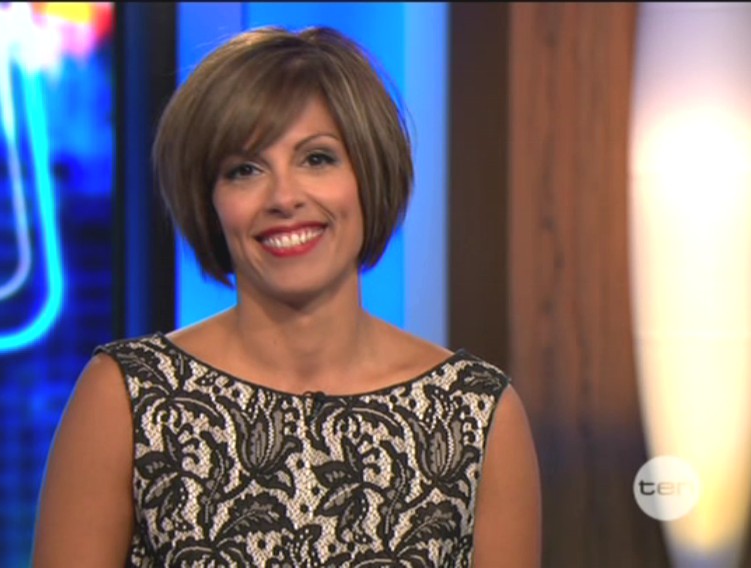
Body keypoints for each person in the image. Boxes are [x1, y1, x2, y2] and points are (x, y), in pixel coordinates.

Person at [32, 26, 540, 567]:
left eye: (316, 159)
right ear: (209, 202)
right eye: (244, 170)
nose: (283, 197)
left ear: (369, 174)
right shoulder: (128, 399)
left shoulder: (475, 415)